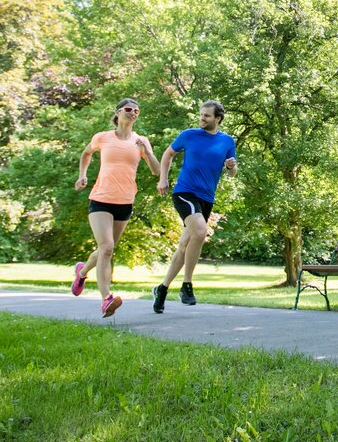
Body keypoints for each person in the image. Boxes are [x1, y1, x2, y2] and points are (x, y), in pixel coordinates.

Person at [72, 98, 160, 317]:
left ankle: (82, 271)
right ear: (118, 112)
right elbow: (86, 154)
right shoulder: (102, 137)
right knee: (107, 247)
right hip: (101, 198)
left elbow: (157, 171)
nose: (132, 113)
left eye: (136, 111)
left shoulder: (142, 140)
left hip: (125, 201)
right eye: (128, 109)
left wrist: (147, 152)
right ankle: (106, 299)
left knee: (105, 249)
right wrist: (82, 176)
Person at [153, 99, 237, 312]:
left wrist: (231, 167)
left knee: (185, 244)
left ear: (217, 118)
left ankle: (162, 289)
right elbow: (167, 154)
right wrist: (163, 178)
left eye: (207, 115)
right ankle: (187, 285)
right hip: (184, 192)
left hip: (206, 198)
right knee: (200, 232)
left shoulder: (227, 141)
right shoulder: (188, 135)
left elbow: (232, 171)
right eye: (201, 114)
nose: (202, 118)